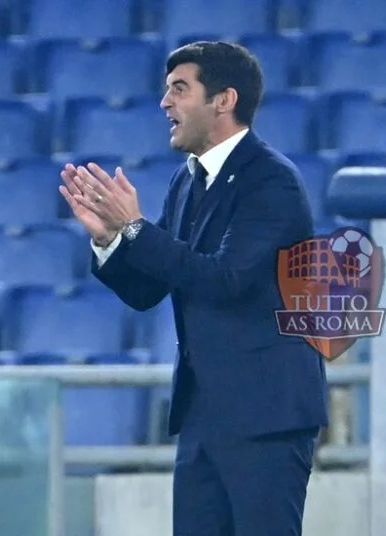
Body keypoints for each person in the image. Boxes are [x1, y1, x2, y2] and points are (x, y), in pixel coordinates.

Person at [59, 41, 329, 536]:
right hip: (204, 415)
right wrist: (110, 240)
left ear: (223, 100)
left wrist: (137, 228)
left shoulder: (271, 181)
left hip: (265, 415)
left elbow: (226, 279)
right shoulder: (186, 184)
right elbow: (148, 289)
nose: (165, 103)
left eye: (179, 90)